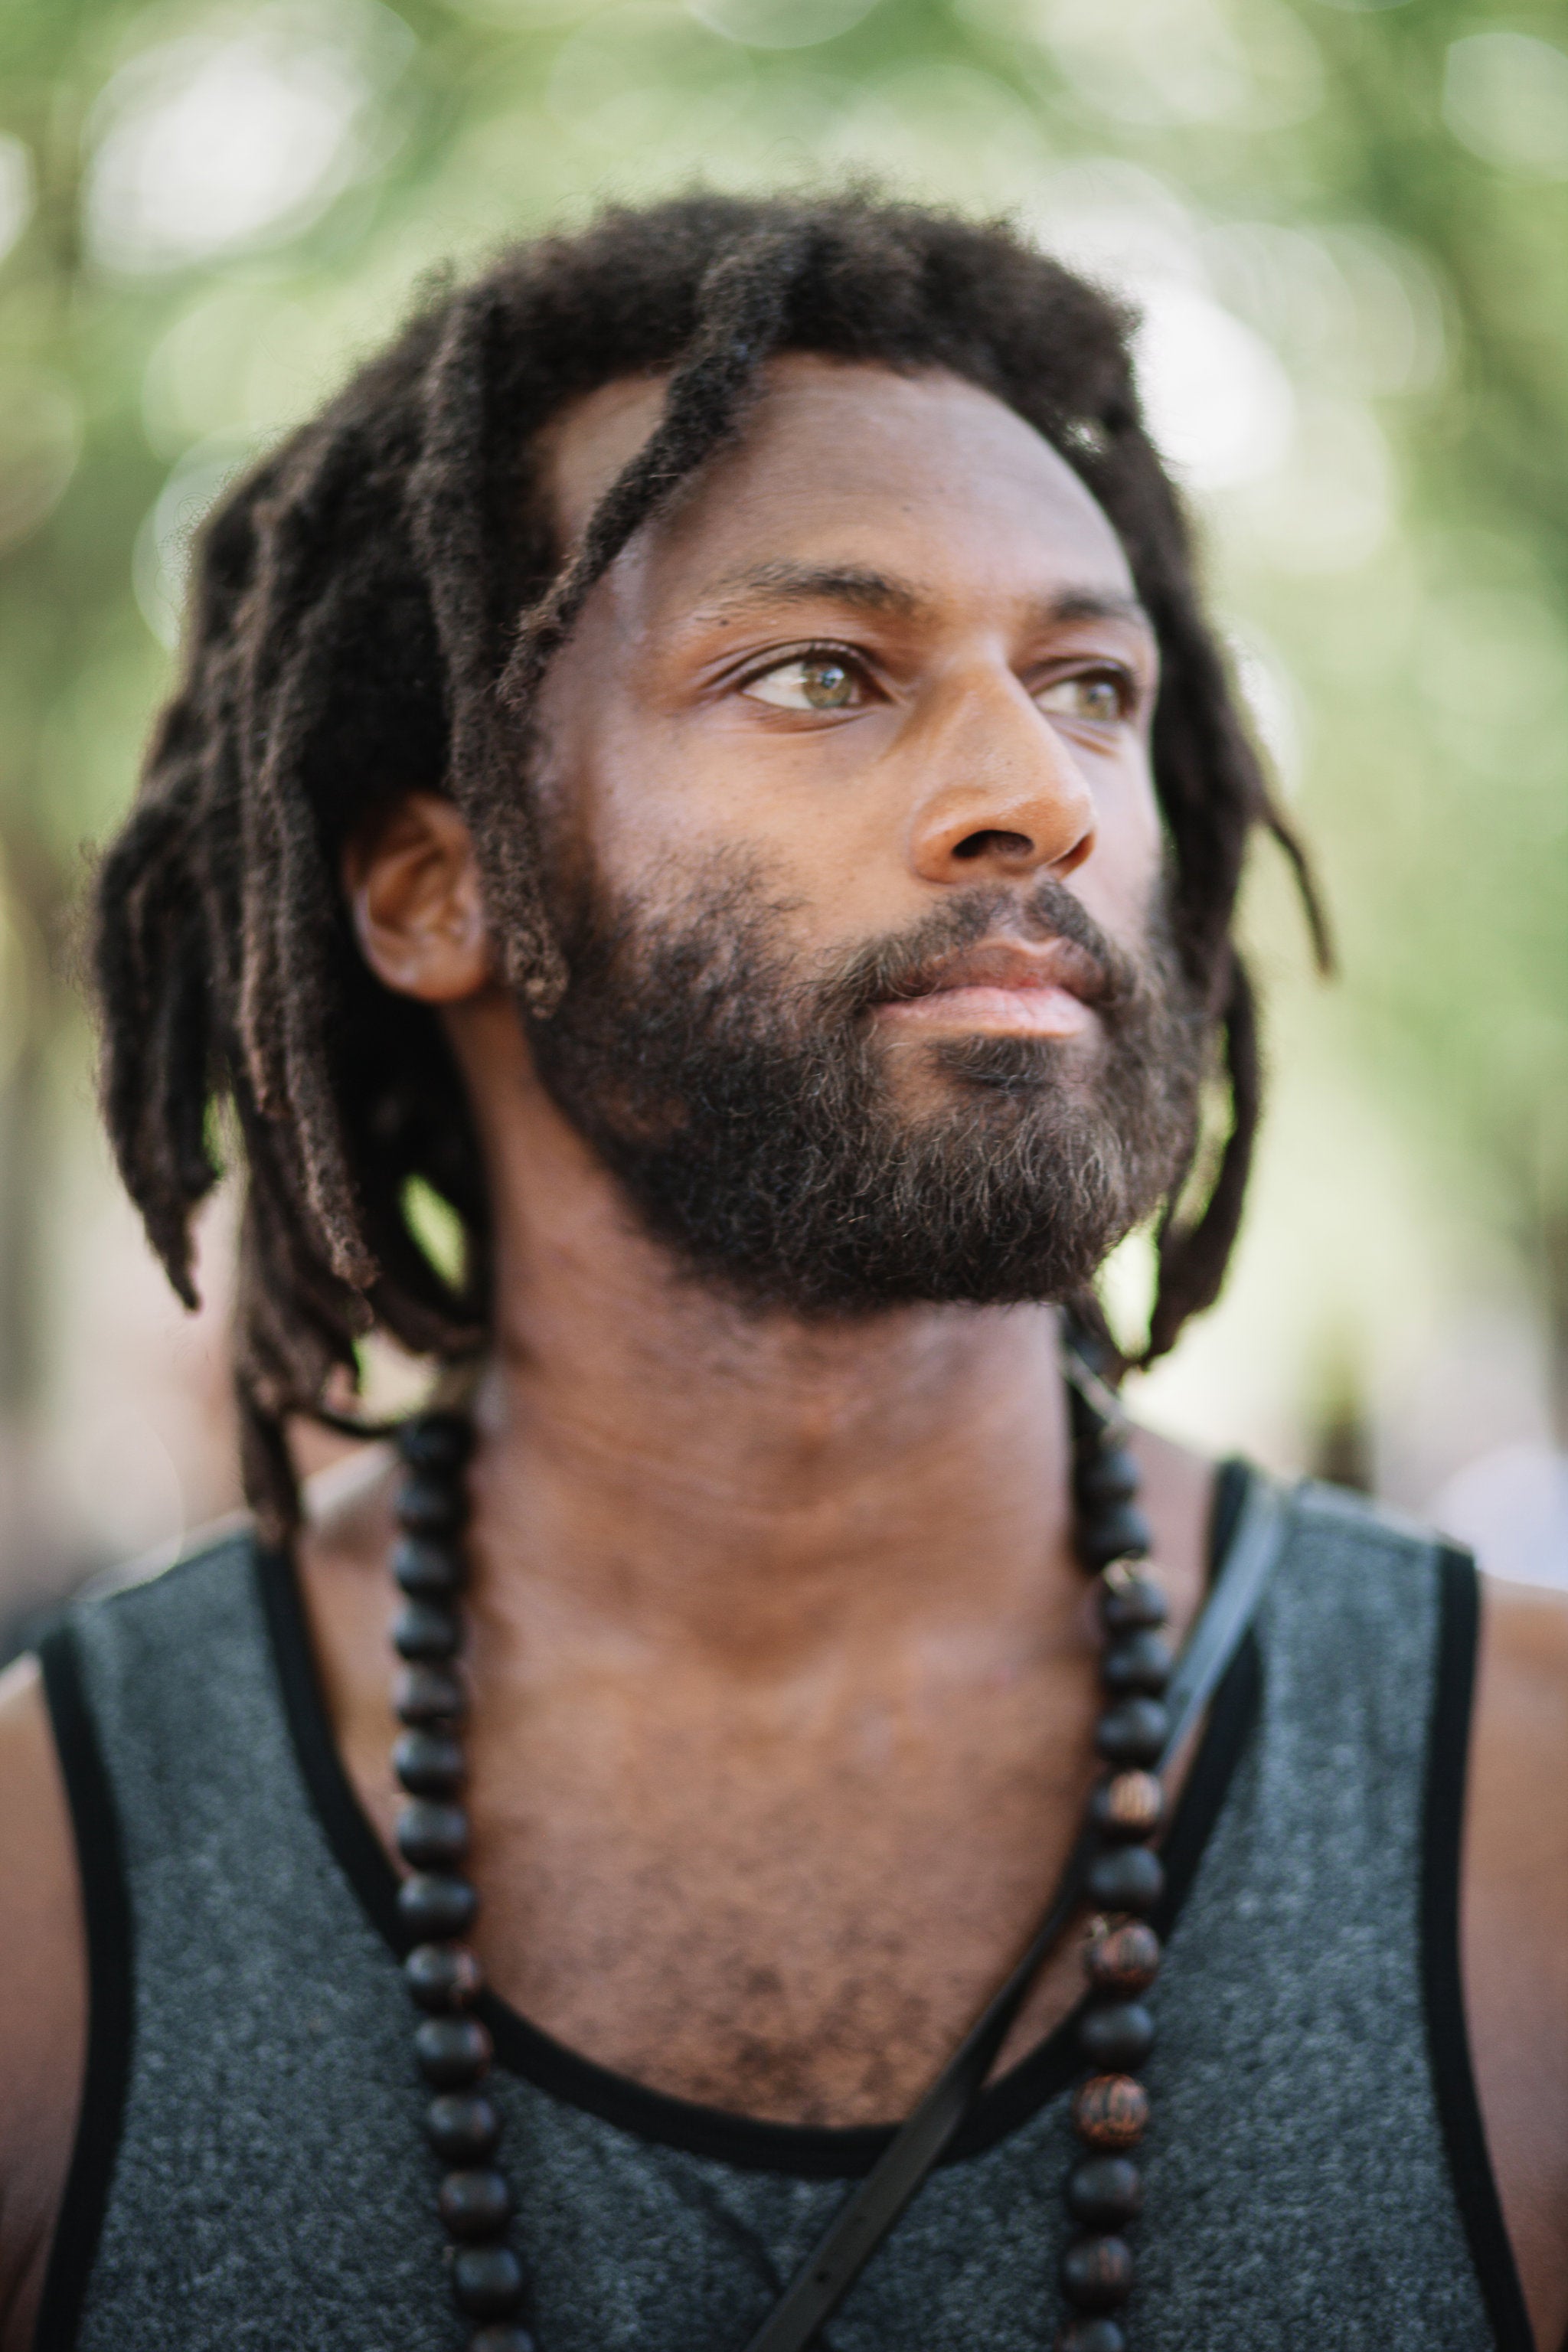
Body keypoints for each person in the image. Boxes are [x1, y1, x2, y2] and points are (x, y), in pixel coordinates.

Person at [0, 191, 1563, 2352]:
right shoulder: (48, 1900)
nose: (1041, 795)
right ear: (438, 889)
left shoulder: (1532, 1828)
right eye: (822, 671)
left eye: (1093, 684)